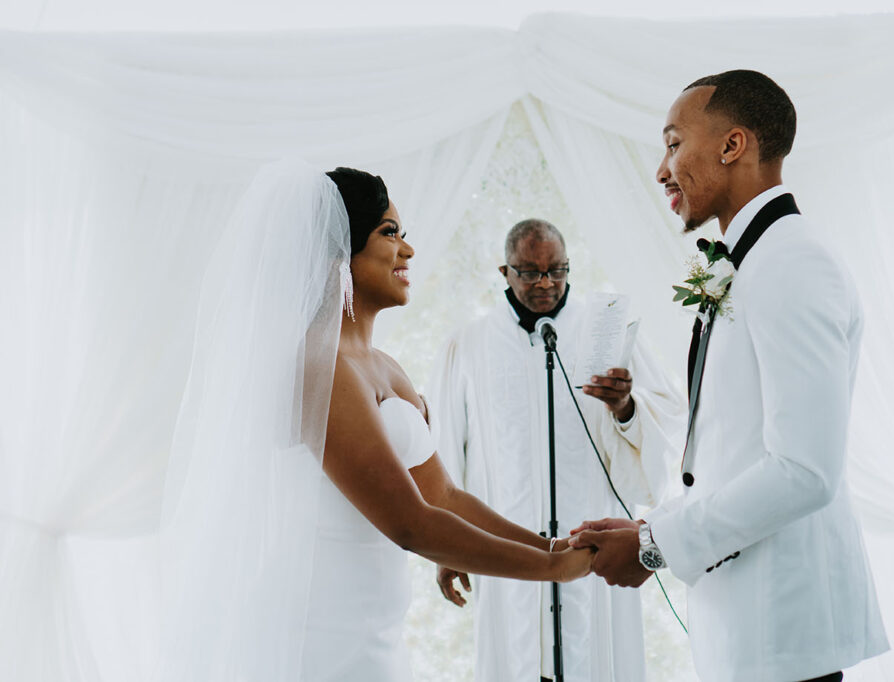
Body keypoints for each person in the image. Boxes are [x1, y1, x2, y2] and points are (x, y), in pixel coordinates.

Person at [158, 161, 591, 682]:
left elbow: (445, 498)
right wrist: (552, 571)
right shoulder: (320, 367)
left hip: (377, 631)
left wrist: (552, 546)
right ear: (339, 253)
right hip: (321, 638)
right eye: (389, 233)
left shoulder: (386, 367)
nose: (407, 249)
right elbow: (411, 523)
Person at [569, 70, 889, 682]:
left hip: (784, 628)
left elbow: (805, 470)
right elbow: (731, 449)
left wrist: (654, 545)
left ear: (732, 145)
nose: (661, 171)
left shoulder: (792, 261)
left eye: (672, 144)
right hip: (747, 627)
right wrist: (649, 526)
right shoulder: (755, 260)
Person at [428, 219, 685, 682]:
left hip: (591, 539)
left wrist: (624, 406)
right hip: (504, 540)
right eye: (529, 272)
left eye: (557, 270)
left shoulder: (606, 331)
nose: (545, 283)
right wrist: (448, 546)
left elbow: (665, 416)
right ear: (504, 271)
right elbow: (445, 453)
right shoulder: (469, 344)